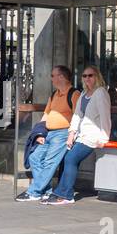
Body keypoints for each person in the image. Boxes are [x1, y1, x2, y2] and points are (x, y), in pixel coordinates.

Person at [44, 66, 111, 206]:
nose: (87, 78)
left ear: (97, 76)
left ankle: (66, 194)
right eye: (85, 76)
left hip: (92, 136)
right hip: (81, 134)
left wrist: (104, 137)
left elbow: (105, 116)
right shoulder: (84, 93)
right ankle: (60, 192)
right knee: (68, 160)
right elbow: (77, 115)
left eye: (91, 75)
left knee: (71, 158)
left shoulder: (101, 93)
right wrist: (71, 133)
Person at [15, 66, 80, 203]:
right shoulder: (54, 94)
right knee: (34, 157)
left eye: (53, 75)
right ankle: (45, 190)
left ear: (61, 77)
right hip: (49, 133)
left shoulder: (74, 94)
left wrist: (71, 135)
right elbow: (46, 115)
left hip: (63, 133)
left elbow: (77, 116)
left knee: (50, 162)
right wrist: (40, 134)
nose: (51, 79)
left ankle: (34, 191)